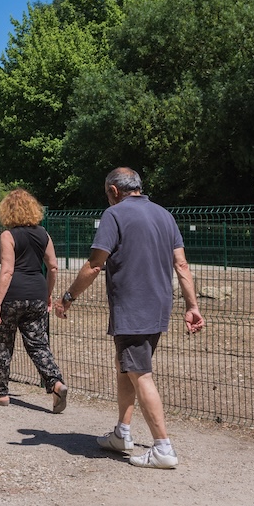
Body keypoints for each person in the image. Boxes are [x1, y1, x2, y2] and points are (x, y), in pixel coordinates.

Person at [55, 167, 206, 469]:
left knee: (140, 373)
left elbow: (95, 265)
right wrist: (192, 305)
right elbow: (182, 263)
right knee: (126, 366)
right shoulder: (165, 215)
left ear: (113, 190)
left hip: (132, 306)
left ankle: (163, 448)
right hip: (159, 304)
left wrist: (67, 298)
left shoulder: (114, 215)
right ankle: (122, 433)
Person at [0, 189, 69, 413]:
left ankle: (1, 394)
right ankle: (56, 383)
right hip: (37, 295)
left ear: (7, 211)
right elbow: (52, 266)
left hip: (13, 296)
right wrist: (48, 293)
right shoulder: (44, 234)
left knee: (3, 344)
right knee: (38, 344)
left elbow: (7, 271)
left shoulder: (8, 235)